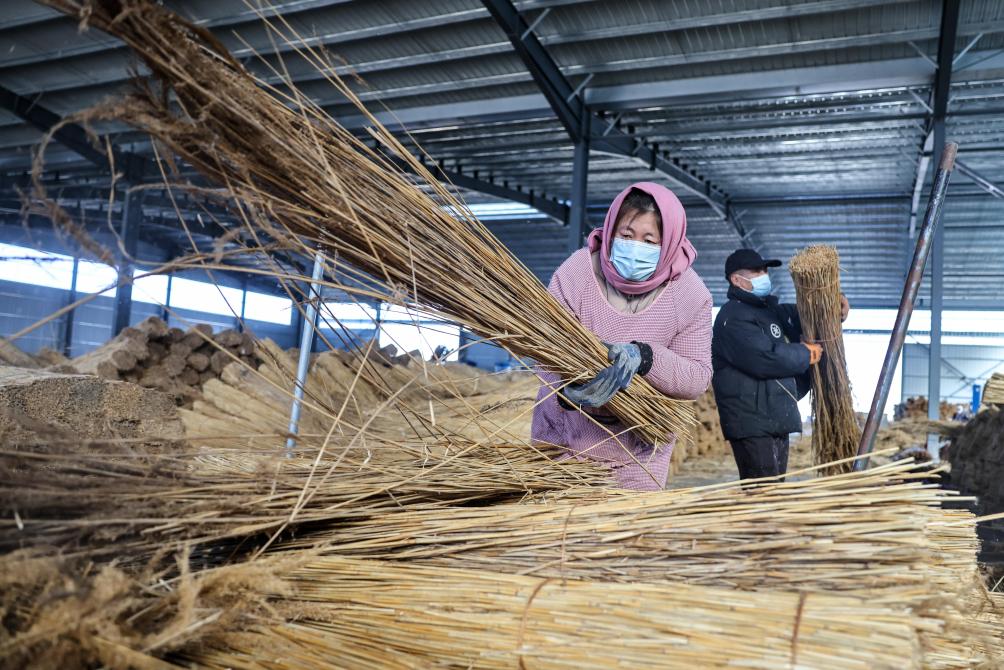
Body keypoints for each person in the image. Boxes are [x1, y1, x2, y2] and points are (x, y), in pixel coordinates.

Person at [531, 182, 713, 491]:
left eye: (649, 239)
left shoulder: (690, 294)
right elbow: (541, 344)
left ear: (669, 242)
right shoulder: (577, 273)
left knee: (627, 536)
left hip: (639, 453)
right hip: (562, 443)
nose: (635, 246)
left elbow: (697, 377)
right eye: (627, 236)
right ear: (611, 229)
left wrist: (645, 358)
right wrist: (568, 386)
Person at [712, 248, 850, 480]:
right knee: (763, 493)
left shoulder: (771, 312)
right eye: (756, 271)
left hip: (776, 416)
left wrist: (837, 302)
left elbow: (807, 313)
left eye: (765, 270)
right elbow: (764, 359)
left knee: (775, 488)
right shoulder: (732, 317)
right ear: (736, 280)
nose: (764, 275)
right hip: (752, 422)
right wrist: (805, 354)